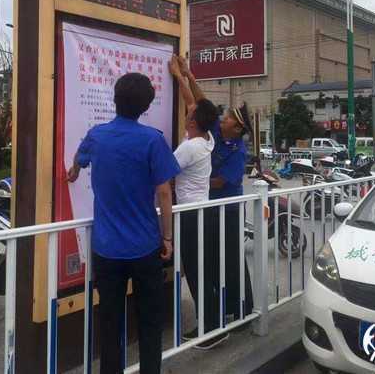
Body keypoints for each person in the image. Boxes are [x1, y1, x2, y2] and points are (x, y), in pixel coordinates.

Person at [67, 73, 180, 374]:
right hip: (145, 247)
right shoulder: (152, 140)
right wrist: (167, 239)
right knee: (149, 321)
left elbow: (80, 158)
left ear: (115, 99)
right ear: (145, 106)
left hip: (106, 249)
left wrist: (74, 170)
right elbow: (165, 191)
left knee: (110, 323)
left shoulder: (97, 135)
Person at [172, 55, 254, 348]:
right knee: (212, 264)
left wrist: (194, 177)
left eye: (230, 118)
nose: (225, 119)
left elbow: (220, 182)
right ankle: (221, 314)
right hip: (207, 209)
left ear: (239, 129)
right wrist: (188, 76)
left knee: (229, 261)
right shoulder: (212, 136)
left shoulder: (237, 150)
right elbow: (200, 105)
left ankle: (241, 310)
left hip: (226, 210)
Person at [168, 57, 219, 347]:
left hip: (189, 216)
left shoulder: (189, 148)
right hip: (203, 212)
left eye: (190, 112)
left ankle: (209, 330)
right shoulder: (207, 139)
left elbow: (164, 173)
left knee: (196, 272)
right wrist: (182, 75)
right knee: (203, 270)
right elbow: (195, 105)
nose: (188, 108)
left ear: (192, 120)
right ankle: (213, 323)